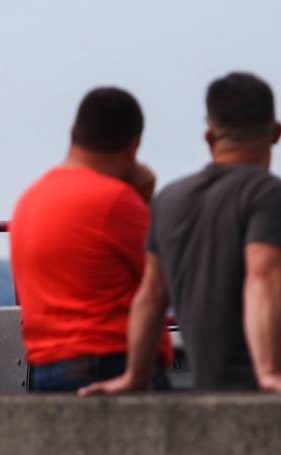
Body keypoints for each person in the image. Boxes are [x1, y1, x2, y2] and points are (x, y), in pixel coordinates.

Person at [81, 72, 281, 394]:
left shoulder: (168, 200)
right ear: (276, 132)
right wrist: (269, 372)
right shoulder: (271, 195)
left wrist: (134, 376)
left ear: (208, 137)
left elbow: (151, 295)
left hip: (213, 390)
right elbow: (264, 276)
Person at [9, 87, 172, 391]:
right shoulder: (118, 202)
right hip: (112, 365)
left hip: (45, 371)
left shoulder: (29, 201)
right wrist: (143, 204)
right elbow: (164, 281)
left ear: (73, 133)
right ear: (133, 146)